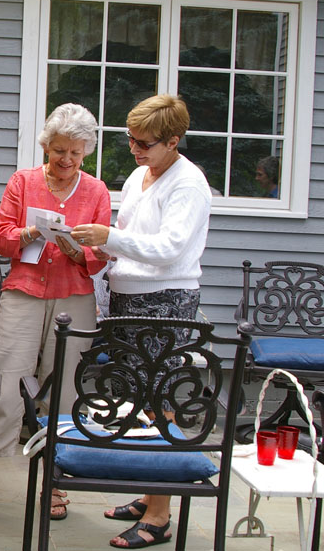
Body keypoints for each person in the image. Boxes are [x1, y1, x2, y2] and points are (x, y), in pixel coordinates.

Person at [71, 94, 212, 549]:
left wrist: (110, 237)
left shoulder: (188, 183)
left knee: (162, 399)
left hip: (166, 302)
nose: (135, 149)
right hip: (128, 298)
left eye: (145, 143)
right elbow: (130, 240)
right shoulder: (139, 174)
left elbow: (169, 247)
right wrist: (94, 247)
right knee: (135, 398)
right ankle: (150, 492)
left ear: (173, 141)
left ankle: (160, 513)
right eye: (130, 140)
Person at [0, 103, 110, 524]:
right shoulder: (23, 181)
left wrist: (75, 248)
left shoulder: (97, 191)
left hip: (75, 297)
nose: (65, 160)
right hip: (25, 293)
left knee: (64, 392)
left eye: (76, 154)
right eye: (59, 150)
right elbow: (3, 238)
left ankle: (55, 484)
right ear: (46, 146)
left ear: (86, 153)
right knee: (6, 387)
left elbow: (100, 255)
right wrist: (31, 231)